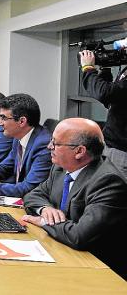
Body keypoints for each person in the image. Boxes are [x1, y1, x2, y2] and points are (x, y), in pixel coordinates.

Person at [22, 118, 127, 280]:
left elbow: (79, 235)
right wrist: (45, 209)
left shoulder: (108, 182)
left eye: (55, 143)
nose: (49, 147)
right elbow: (33, 195)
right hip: (61, 248)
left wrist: (44, 222)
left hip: (96, 269)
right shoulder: (60, 168)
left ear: (79, 151)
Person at [79, 43, 127, 176]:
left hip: (122, 151)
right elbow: (111, 99)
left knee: (114, 193)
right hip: (111, 145)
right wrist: (105, 69)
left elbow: (104, 93)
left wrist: (88, 68)